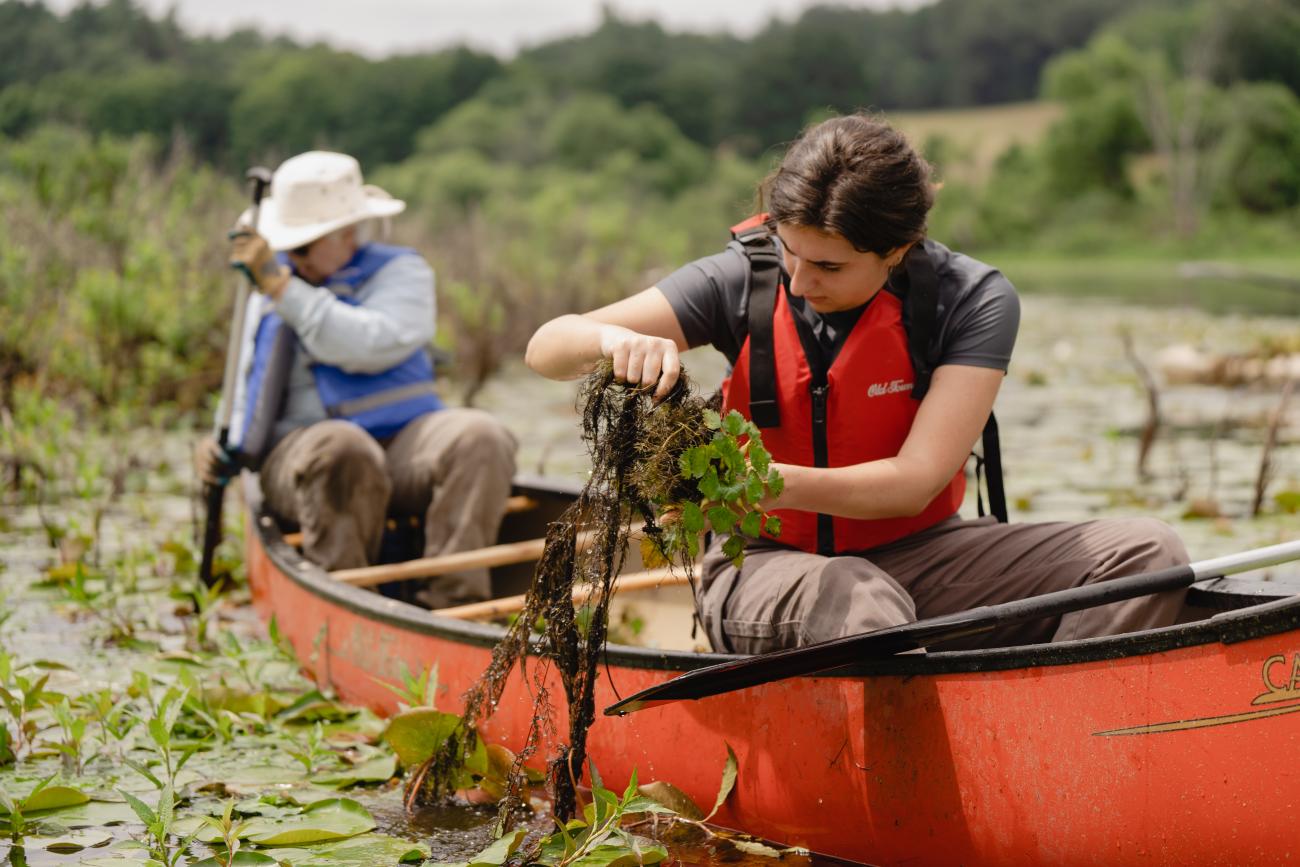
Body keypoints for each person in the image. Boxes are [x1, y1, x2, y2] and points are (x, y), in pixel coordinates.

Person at [524, 114, 1189, 654]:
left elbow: (914, 481)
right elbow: (547, 347)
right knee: (864, 601)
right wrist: (614, 340)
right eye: (789, 250)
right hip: (763, 562)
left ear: (897, 249)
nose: (800, 280)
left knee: (1148, 552)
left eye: (829, 265)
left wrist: (753, 479)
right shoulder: (741, 280)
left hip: (925, 552)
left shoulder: (971, 299)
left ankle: (1051, 736)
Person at [197, 150, 517, 608]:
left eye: (304, 246)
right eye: (289, 247)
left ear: (347, 234)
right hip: (304, 455)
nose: (293, 258)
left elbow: (364, 346)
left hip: (403, 444)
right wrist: (215, 442)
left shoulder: (400, 274)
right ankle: (350, 599)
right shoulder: (270, 285)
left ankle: (453, 605)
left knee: (481, 436)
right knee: (343, 447)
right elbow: (245, 372)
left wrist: (286, 289)